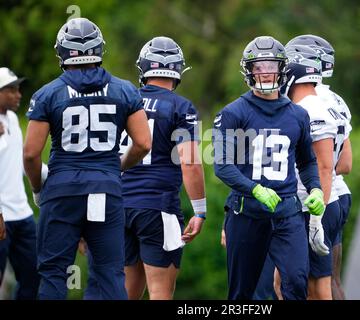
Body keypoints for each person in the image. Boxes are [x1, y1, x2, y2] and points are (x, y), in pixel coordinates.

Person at [23, 18, 151, 300]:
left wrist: (36, 188)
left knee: (55, 273)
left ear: (62, 53)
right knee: (108, 273)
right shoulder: (124, 90)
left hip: (61, 190)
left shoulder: (48, 94)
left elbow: (31, 153)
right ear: (99, 49)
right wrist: (115, 167)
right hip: (105, 191)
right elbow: (143, 143)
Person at [213, 36, 324, 300]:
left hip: (287, 211)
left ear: (283, 68)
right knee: (243, 293)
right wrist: (255, 189)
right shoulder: (233, 113)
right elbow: (222, 166)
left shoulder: (298, 115)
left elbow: (307, 161)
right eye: (259, 67)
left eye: (271, 65)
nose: (265, 72)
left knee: (297, 281)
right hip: (247, 212)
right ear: (249, 71)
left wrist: (316, 189)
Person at [117, 36, 206, 300]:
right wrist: (200, 210)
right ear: (178, 70)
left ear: (143, 69)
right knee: (160, 293)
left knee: (125, 293)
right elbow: (189, 161)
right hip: (157, 207)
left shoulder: (123, 100)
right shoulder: (181, 107)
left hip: (117, 205)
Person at [278, 41, 348, 300]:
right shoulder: (325, 103)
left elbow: (325, 165)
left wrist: (316, 218)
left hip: (315, 204)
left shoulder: (310, 108)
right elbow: (345, 162)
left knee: (317, 287)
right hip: (321, 201)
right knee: (285, 282)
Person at [0, 67, 41, 300]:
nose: (18, 95)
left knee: (33, 276)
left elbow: (24, 160)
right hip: (1, 216)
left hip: (22, 216)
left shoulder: (14, 119)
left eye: (18, 89)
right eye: (11, 90)